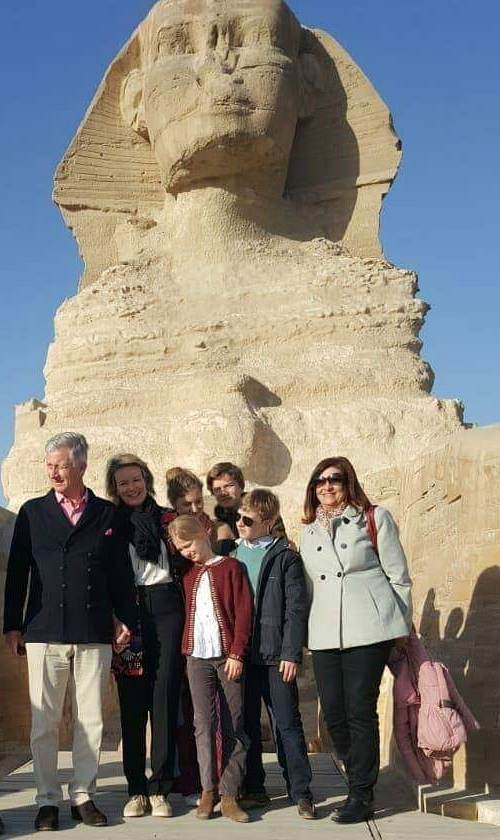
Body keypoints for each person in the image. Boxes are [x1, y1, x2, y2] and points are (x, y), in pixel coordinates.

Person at [3, 433, 137, 832]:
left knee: (90, 720)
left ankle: (83, 796)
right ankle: (47, 800)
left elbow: (120, 574)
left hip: (94, 630)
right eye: (49, 466)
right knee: (44, 723)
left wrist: (125, 618)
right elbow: (18, 572)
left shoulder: (107, 514)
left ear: (81, 466)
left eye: (61, 465)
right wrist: (12, 624)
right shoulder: (32, 512)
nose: (53, 473)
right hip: (43, 630)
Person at [300, 457, 413, 824]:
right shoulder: (308, 531)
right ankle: (356, 777)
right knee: (334, 713)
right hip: (325, 632)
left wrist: (400, 628)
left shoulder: (374, 517)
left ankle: (362, 794)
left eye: (334, 479)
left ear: (348, 482)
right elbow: (307, 587)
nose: (326, 486)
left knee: (359, 711)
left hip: (370, 625)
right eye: (319, 481)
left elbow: (399, 576)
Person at [105, 454, 186, 819]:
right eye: (123, 483)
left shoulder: (168, 519)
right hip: (129, 615)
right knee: (133, 701)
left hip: (167, 609)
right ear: (115, 488)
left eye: (136, 479)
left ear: (146, 480)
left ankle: (160, 788)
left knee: (164, 696)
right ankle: (136, 788)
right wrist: (112, 619)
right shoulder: (110, 525)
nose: (131, 487)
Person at [232, 490, 315, 820]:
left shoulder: (286, 557)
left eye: (247, 519)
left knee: (287, 723)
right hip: (243, 655)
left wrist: (291, 653)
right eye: (239, 517)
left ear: (267, 522)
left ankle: (301, 792)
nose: (240, 523)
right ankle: (255, 788)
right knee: (248, 724)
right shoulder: (233, 554)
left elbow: (295, 609)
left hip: (276, 655)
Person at [169, 515, 253, 823]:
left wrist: (237, 653)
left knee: (234, 724)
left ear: (204, 534)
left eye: (189, 544)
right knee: (202, 724)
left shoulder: (232, 568)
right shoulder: (188, 574)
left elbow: (244, 613)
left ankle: (229, 794)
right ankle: (208, 790)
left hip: (227, 657)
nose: (187, 552)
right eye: (181, 549)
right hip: (196, 657)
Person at [206, 462, 289, 541]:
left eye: (228, 486)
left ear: (240, 486)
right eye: (217, 489)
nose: (223, 493)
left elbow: (280, 541)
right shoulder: (217, 516)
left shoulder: (261, 506)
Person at [166, 467, 234, 552]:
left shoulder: (221, 531)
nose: (195, 509)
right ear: (174, 505)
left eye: (198, 502)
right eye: (187, 504)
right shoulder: (169, 539)